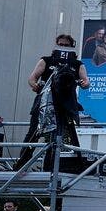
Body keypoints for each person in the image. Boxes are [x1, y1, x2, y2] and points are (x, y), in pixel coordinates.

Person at [15, 34, 90, 171]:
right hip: (44, 103)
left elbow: (86, 81)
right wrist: (35, 85)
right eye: (61, 44)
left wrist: (84, 83)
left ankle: (50, 167)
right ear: (56, 44)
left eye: (66, 45)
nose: (63, 47)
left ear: (72, 47)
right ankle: (22, 163)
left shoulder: (77, 64)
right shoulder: (46, 60)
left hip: (65, 106)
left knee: (57, 137)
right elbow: (32, 78)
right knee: (33, 132)